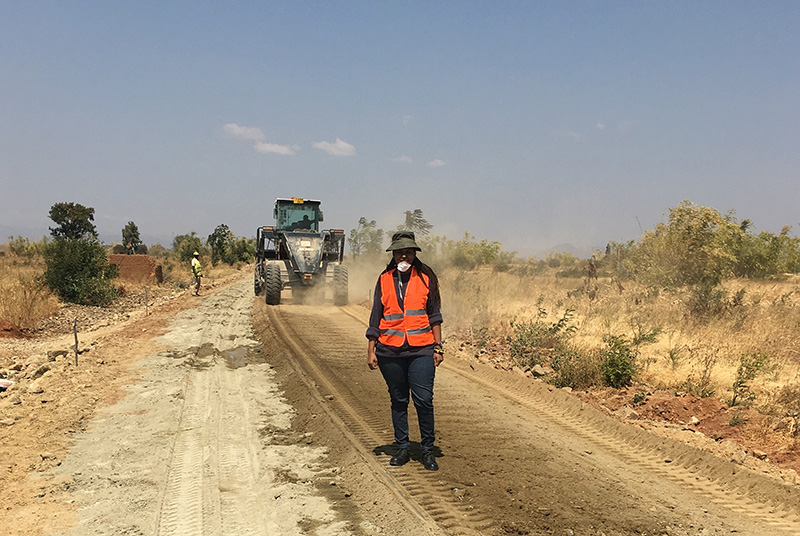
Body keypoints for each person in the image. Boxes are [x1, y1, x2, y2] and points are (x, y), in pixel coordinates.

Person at [366, 230, 444, 471]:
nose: (404, 255)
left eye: (408, 251)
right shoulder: (384, 278)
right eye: (400, 251)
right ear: (394, 254)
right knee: (398, 400)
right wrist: (371, 349)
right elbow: (376, 315)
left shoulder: (426, 277)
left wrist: (438, 346)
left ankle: (428, 451)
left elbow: (435, 315)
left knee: (424, 400)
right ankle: (402, 448)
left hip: (421, 349)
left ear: (414, 253)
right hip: (390, 351)